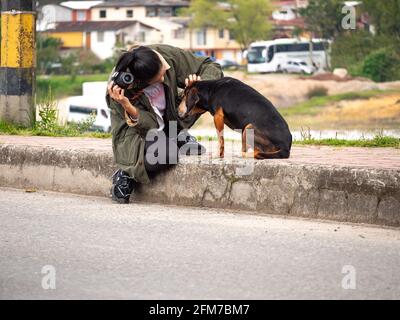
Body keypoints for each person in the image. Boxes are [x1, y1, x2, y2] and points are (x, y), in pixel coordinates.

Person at [106, 44, 224, 203]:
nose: (163, 78)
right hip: (138, 133)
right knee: (167, 154)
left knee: (200, 97)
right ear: (142, 82)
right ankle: (127, 172)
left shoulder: (165, 55)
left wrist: (199, 84)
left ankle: (176, 135)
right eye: (158, 79)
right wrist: (128, 106)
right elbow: (150, 127)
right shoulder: (120, 88)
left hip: (170, 121)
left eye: (164, 72)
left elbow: (211, 66)